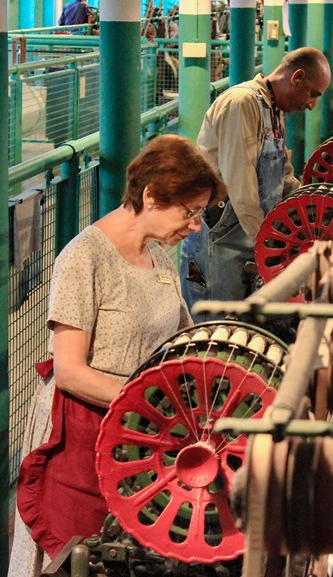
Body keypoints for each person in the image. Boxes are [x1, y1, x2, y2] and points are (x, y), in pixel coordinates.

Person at [9, 134, 220, 577]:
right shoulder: (84, 258)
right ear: (151, 197)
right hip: (80, 434)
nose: (196, 225)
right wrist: (150, 402)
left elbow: (181, 338)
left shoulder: (159, 258)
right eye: (191, 211)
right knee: (75, 556)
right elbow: (69, 372)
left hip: (136, 434)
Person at [180, 46, 331, 307]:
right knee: (216, 325)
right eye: (312, 94)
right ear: (296, 78)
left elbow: (284, 176)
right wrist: (270, 246)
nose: (311, 105)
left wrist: (313, 213)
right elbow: (242, 189)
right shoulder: (241, 103)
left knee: (242, 325)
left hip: (247, 236)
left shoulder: (272, 110)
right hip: (220, 239)